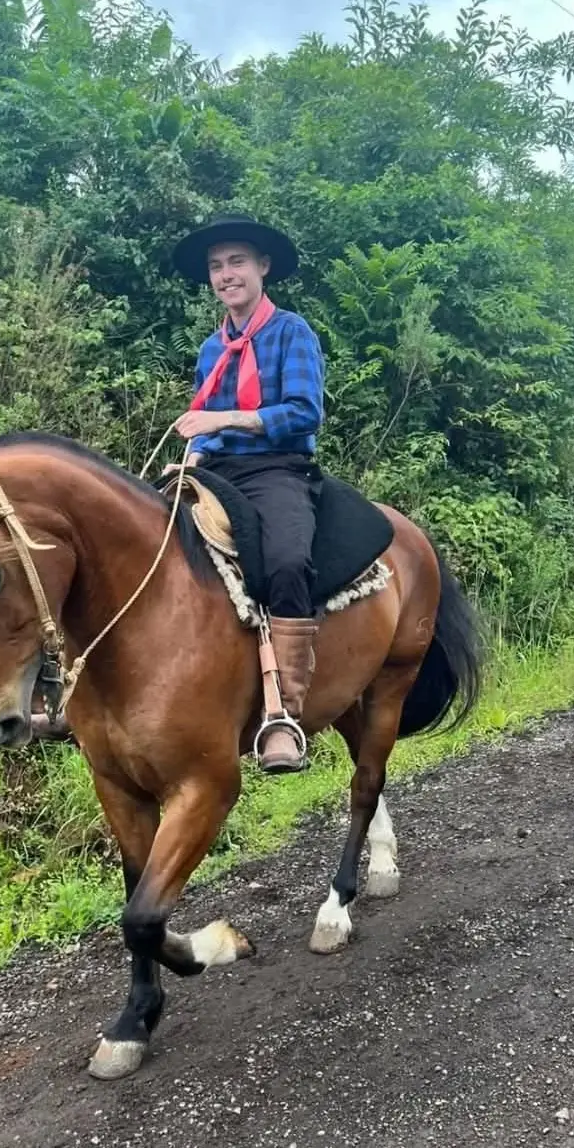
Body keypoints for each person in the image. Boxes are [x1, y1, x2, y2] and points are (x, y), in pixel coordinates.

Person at [169, 211, 326, 772]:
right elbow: (205, 424)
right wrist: (191, 456)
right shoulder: (211, 349)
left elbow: (304, 413)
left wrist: (222, 420)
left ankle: (284, 713)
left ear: (263, 267)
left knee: (286, 561)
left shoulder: (291, 332)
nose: (225, 274)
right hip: (217, 470)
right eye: (216, 266)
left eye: (237, 261)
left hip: (277, 468)